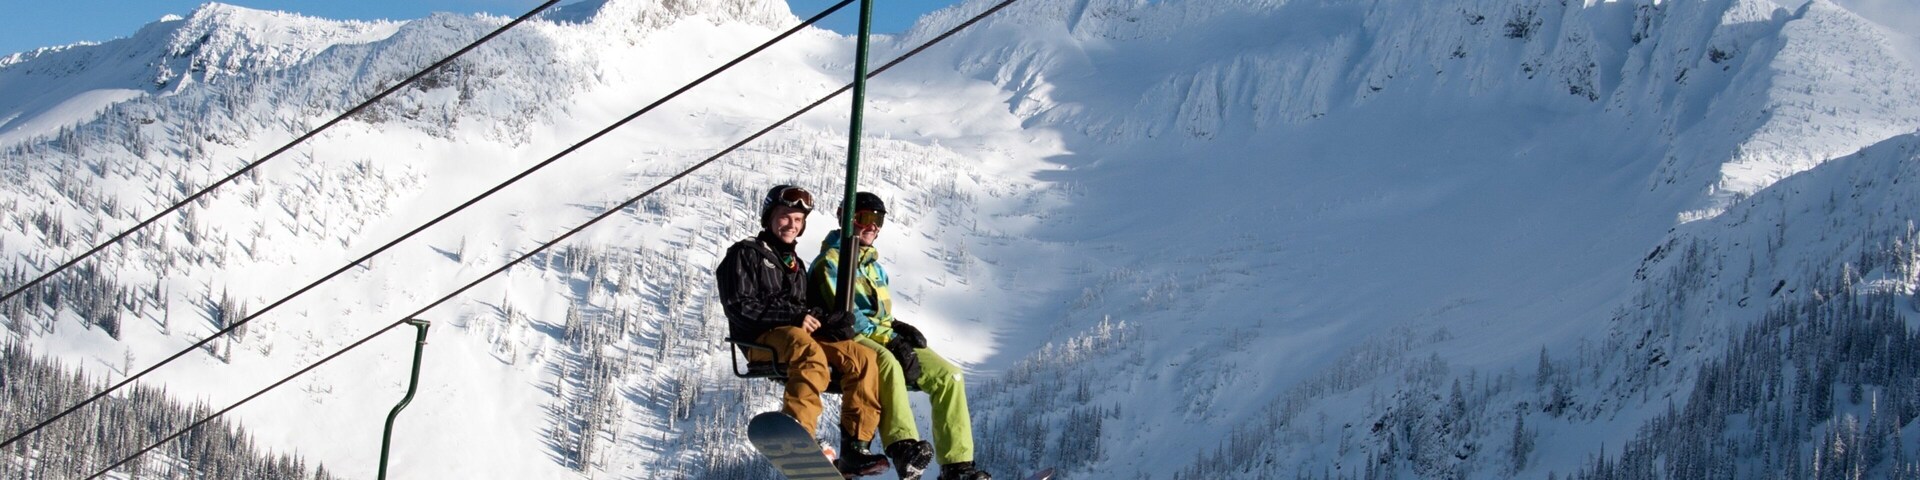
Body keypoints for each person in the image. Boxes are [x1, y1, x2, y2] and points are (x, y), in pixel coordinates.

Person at [809, 192, 993, 480]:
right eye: (865, 218)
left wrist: (898, 328)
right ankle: (902, 447)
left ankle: (957, 467)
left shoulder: (875, 267)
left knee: (950, 376)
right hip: (849, 337)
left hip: (884, 334)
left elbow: (879, 315)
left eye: (878, 219)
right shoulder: (831, 263)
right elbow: (848, 317)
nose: (873, 226)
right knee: (887, 363)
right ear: (846, 219)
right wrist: (891, 340)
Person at [715, 184, 889, 477]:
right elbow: (740, 305)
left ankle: (855, 447)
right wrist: (796, 316)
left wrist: (830, 320)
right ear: (769, 218)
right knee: (805, 348)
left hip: (794, 337)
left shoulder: (796, 265)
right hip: (760, 339)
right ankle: (801, 433)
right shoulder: (746, 254)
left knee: (861, 357)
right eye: (785, 217)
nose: (791, 225)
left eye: (798, 220)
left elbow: (806, 309)